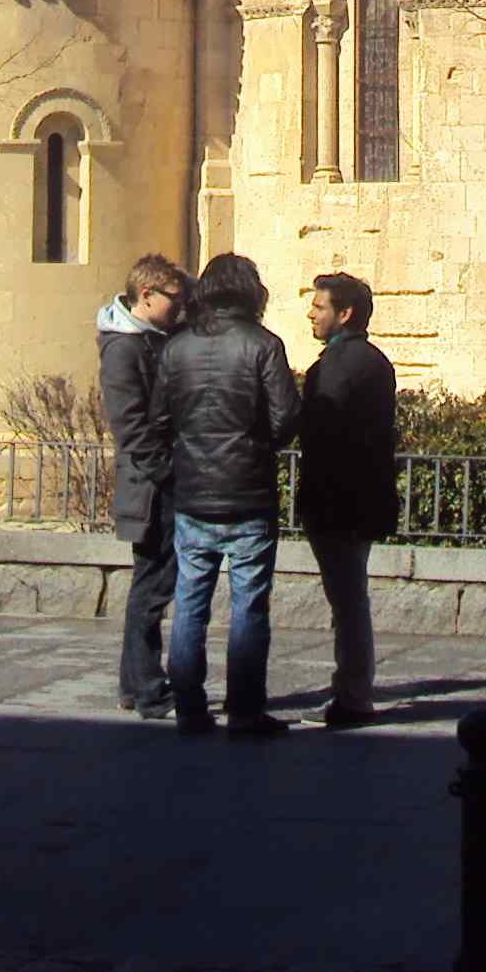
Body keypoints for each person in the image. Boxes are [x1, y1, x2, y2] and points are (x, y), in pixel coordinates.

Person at [153, 250, 302, 737]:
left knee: (190, 601)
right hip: (248, 492)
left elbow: (158, 420)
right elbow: (286, 418)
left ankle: (190, 708)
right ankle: (244, 710)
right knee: (249, 604)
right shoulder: (264, 345)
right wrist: (257, 445)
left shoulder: (177, 348)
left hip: (194, 492)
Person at [295, 269, 398, 728]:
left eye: (319, 307)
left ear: (345, 313)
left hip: (338, 501)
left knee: (348, 601)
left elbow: (322, 432)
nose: (311, 315)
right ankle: (353, 690)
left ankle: (353, 696)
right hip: (364, 498)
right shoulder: (375, 361)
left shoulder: (335, 368)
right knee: (350, 597)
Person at [94, 251, 188, 720]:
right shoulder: (125, 349)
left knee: (149, 588)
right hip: (151, 490)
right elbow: (130, 426)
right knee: (152, 590)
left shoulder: (149, 340)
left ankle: (135, 685)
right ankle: (149, 689)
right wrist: (169, 473)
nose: (181, 307)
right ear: (147, 294)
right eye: (175, 298)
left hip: (152, 483)